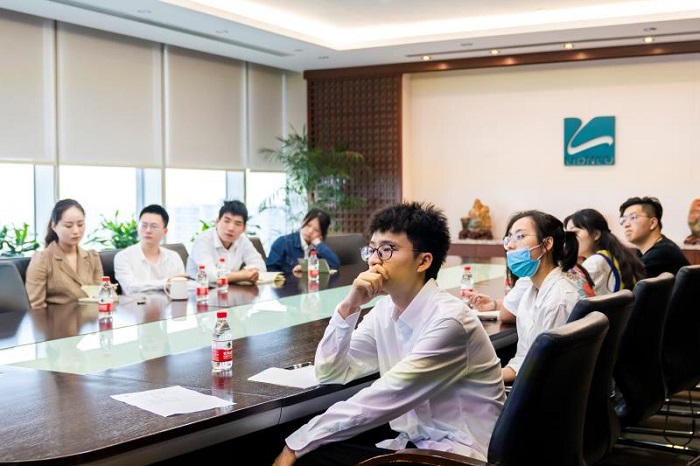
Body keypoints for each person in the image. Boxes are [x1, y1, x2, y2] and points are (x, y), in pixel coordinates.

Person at [272, 201, 505, 466]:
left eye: (387, 250)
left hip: (458, 452)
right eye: (372, 249)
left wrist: (296, 444)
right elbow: (331, 372)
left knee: (306, 456)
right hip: (414, 440)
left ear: (423, 261)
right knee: (305, 451)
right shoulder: (384, 311)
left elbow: (387, 395)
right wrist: (350, 306)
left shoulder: (449, 321)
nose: (374, 259)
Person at [467, 210, 594, 385]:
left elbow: (543, 370)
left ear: (547, 243)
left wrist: (484, 380)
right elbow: (523, 359)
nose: (510, 246)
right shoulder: (531, 292)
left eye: (520, 236)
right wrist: (488, 377)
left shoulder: (559, 299)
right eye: (509, 238)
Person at [25, 199, 103, 309]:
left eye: (80, 224)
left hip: (91, 318)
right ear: (54, 226)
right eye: (68, 226)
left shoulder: (92, 257)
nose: (76, 231)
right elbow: (36, 307)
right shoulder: (43, 259)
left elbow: (102, 297)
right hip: (56, 319)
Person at [564, 208, 646, 295]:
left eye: (574, 233)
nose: (568, 240)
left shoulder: (594, 263)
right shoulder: (611, 255)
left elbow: (569, 297)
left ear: (596, 234)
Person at [114, 204, 188, 295]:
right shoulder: (123, 257)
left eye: (154, 226)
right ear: (138, 228)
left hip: (169, 303)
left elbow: (181, 287)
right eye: (144, 225)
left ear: (165, 231)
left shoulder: (174, 257)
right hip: (137, 304)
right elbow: (130, 287)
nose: (148, 230)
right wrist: (167, 282)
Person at [187, 200, 266, 284]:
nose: (231, 228)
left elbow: (260, 266)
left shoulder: (242, 240)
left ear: (244, 228)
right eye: (227, 221)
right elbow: (209, 274)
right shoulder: (203, 240)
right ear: (217, 221)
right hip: (200, 289)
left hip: (229, 288)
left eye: (238, 224)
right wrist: (242, 275)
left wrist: (245, 272)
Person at [618, 196, 689, 277]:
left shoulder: (662, 254)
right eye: (624, 220)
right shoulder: (642, 252)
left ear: (652, 223)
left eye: (633, 217)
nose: (626, 225)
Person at [266, 208, 340, 274]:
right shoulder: (283, 242)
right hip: (290, 285)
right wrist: (290, 276)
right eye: (308, 225)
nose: (310, 231)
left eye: (316, 230)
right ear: (303, 221)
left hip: (313, 284)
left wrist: (319, 244)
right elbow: (270, 269)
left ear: (321, 234)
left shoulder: (319, 248)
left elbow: (335, 265)